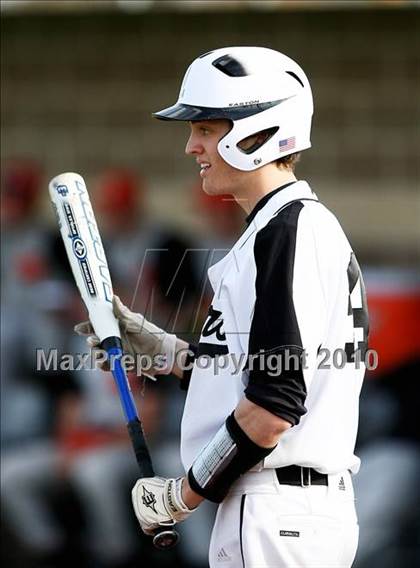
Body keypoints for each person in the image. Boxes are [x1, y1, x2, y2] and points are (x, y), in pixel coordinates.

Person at [76, 46, 369, 568]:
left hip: (277, 512)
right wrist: (166, 351)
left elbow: (274, 406)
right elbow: (255, 375)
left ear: (257, 133)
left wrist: (181, 496)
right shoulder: (281, 227)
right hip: (282, 511)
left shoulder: (287, 232)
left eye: (206, 130)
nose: (191, 147)